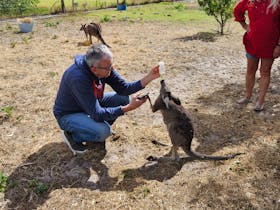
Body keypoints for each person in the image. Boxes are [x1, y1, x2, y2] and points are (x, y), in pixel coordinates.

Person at [53, 44, 160, 155]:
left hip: (88, 105)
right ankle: (73, 135)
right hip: (69, 114)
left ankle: (93, 129)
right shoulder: (78, 78)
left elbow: (124, 88)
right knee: (104, 132)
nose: (112, 69)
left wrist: (150, 76)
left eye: (112, 64)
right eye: (109, 67)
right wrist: (129, 108)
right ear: (94, 69)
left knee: (122, 98)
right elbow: (97, 114)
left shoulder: (102, 66)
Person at [234, 0, 280, 111]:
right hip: (252, 42)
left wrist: (279, 45)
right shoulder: (250, 1)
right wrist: (245, 26)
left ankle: (260, 101)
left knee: (265, 72)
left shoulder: (277, 2)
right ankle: (247, 96)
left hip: (270, 44)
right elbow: (237, 11)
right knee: (250, 70)